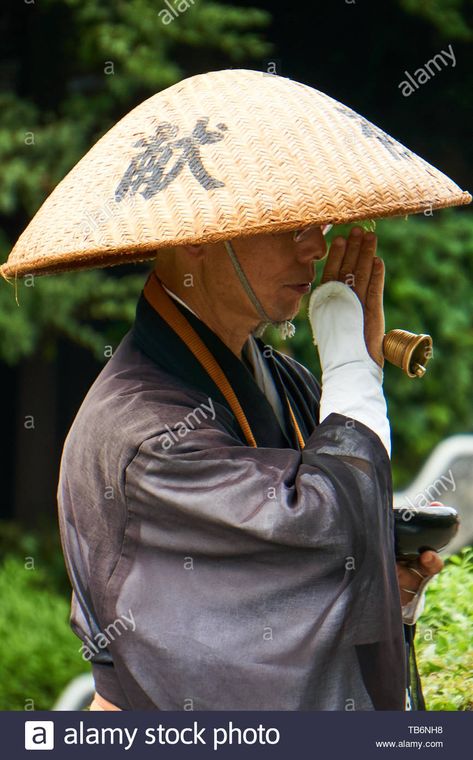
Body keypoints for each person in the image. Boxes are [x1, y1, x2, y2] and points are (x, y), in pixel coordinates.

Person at [57, 224, 443, 711]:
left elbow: (300, 580)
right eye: (290, 227)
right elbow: (321, 527)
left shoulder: (284, 381)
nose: (317, 248)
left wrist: (382, 588)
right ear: (196, 233)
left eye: (319, 226)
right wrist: (352, 373)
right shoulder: (147, 435)